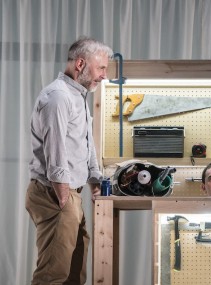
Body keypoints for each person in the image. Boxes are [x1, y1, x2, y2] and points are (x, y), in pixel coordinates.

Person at [25, 37, 113, 285]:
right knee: (52, 275)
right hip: (55, 192)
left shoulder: (78, 95)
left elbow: (84, 141)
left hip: (68, 193)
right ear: (81, 63)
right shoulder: (58, 97)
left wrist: (94, 176)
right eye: (101, 68)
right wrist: (63, 195)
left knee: (75, 270)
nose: (104, 76)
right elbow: (56, 150)